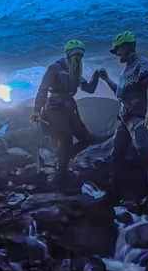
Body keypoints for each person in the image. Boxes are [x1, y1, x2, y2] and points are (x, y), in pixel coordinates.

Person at [98, 31, 148, 200]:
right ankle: (120, 192)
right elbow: (121, 94)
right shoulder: (125, 71)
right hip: (125, 118)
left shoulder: (141, 62)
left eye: (118, 50)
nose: (117, 54)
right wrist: (106, 79)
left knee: (147, 153)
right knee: (117, 154)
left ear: (128, 46)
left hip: (138, 115)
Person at [32, 40, 107, 185]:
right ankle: (61, 172)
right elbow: (43, 89)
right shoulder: (55, 68)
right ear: (68, 54)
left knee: (87, 138)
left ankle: (63, 158)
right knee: (66, 139)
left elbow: (89, 89)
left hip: (69, 109)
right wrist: (36, 111)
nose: (78, 58)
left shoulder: (76, 71)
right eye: (75, 55)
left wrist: (96, 75)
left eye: (80, 56)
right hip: (54, 110)